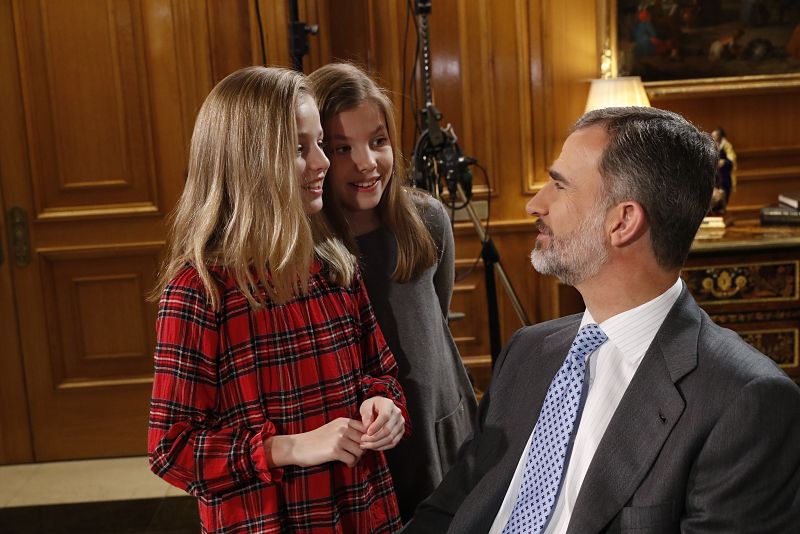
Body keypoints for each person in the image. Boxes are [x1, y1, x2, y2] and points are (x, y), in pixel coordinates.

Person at [403, 107, 800, 533]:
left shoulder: (744, 401)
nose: (535, 204)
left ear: (623, 221)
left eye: (559, 186)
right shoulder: (527, 352)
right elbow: (447, 511)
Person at [147, 66, 408, 534]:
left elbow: (381, 373)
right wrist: (288, 447)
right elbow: (172, 451)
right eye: (298, 149)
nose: (323, 163)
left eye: (320, 145)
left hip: (361, 511)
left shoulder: (335, 263)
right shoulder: (199, 291)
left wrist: (383, 406)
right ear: (247, 162)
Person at [308, 62, 478, 522]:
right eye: (343, 148)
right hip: (368, 438)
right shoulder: (310, 249)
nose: (367, 162)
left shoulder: (427, 220)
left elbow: (435, 320)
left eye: (378, 141)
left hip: (440, 422)